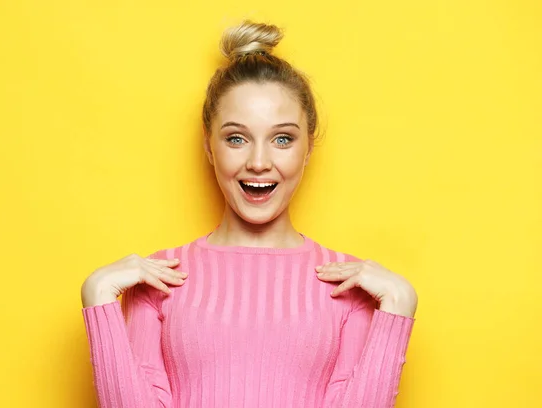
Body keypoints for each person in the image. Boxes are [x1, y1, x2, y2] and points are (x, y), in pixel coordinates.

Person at [80, 20, 418, 408]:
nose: (259, 162)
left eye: (282, 139)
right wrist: (98, 297)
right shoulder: (158, 277)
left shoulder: (351, 284)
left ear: (308, 148)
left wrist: (399, 304)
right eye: (237, 138)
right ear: (209, 147)